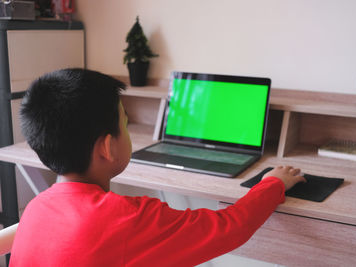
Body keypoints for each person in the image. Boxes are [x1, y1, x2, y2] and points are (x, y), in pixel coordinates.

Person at [10, 68, 305, 266]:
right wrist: (273, 182)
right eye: (125, 124)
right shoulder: (129, 218)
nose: (128, 131)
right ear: (107, 147)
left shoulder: (37, 207)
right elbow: (231, 227)